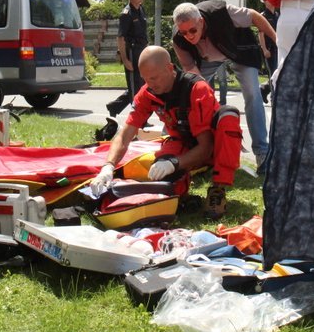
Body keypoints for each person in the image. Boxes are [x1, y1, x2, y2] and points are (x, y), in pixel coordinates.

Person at [90, 46, 242, 219]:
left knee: (229, 116)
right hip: (183, 142)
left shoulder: (196, 89)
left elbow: (205, 148)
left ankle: (218, 188)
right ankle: (180, 192)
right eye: (145, 79)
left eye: (154, 78)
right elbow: (125, 135)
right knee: (161, 176)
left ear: (170, 68)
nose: (150, 84)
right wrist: (108, 166)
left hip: (214, 146)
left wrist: (174, 163)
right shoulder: (147, 93)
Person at [171, 1, 276, 169]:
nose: (189, 36)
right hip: (207, 60)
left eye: (193, 30)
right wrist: (210, 102)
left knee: (252, 92)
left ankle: (262, 152)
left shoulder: (221, 12)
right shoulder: (178, 39)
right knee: (190, 93)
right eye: (184, 32)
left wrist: (277, 40)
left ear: (201, 22)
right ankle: (184, 146)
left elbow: (255, 16)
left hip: (239, 51)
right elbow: (190, 68)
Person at [106, 0, 148, 118]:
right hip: (132, 52)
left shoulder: (141, 9)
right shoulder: (126, 14)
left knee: (141, 84)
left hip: (142, 51)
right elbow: (120, 38)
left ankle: (115, 106)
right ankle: (139, 119)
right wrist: (125, 59)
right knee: (135, 87)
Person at [259, 0, 279, 103]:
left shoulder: (277, 15)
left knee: (278, 73)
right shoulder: (263, 16)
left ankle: (264, 89)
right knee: (273, 73)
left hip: (278, 48)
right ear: (265, 2)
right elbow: (261, 34)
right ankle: (273, 98)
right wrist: (264, 49)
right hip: (269, 50)